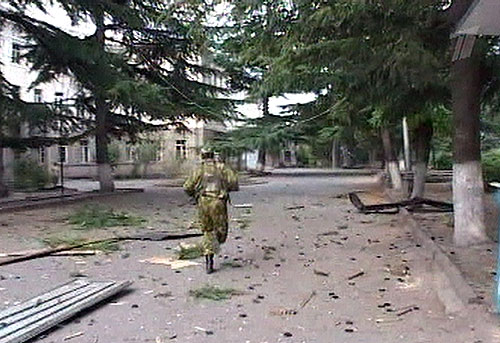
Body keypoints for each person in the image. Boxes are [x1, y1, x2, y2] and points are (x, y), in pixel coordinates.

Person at [184, 150, 239, 274]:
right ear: (213, 156)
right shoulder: (222, 167)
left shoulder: (198, 169)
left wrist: (193, 194)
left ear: (202, 156)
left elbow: (187, 186)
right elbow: (234, 182)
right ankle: (214, 246)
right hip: (218, 202)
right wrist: (226, 188)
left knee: (207, 230)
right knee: (221, 230)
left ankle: (209, 257)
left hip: (203, 202)